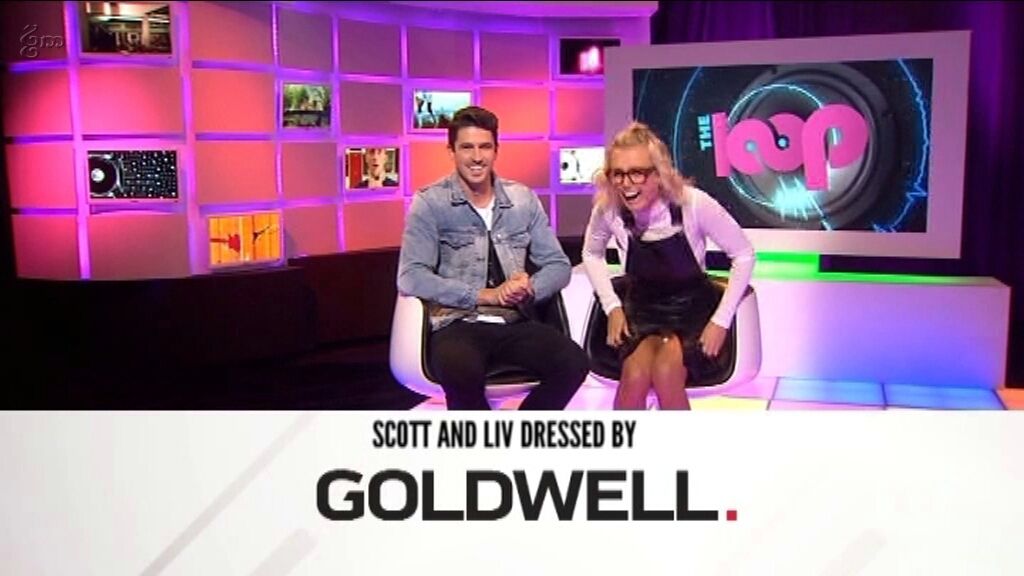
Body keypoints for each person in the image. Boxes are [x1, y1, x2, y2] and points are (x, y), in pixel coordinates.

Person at [397, 106, 589, 410]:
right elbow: (411, 276)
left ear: (496, 150)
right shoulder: (430, 203)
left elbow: (558, 265)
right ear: (451, 151)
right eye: (467, 147)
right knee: (461, 371)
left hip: (514, 321)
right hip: (457, 323)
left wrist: (529, 288)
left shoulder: (522, 199)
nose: (477, 157)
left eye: (485, 147)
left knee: (574, 363)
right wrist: (483, 295)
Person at [581, 122, 755, 410]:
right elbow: (591, 253)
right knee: (634, 377)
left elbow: (744, 255)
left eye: (637, 172)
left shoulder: (693, 203)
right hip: (641, 309)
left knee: (666, 372)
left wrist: (721, 321)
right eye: (618, 174)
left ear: (658, 174)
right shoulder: (609, 208)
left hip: (691, 311)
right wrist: (612, 307)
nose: (626, 183)